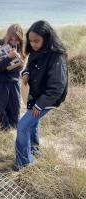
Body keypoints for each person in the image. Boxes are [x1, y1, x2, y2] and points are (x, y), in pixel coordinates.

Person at [14, 20, 68, 170]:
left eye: (36, 41)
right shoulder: (35, 51)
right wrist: (26, 73)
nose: (33, 44)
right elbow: (30, 67)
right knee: (32, 124)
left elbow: (58, 86)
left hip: (46, 99)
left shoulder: (57, 55)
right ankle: (35, 149)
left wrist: (40, 104)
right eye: (30, 41)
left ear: (47, 38)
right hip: (35, 95)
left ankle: (25, 162)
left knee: (22, 126)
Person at [0, 24, 26, 131]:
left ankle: (14, 124)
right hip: (1, 80)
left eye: (17, 39)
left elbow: (20, 68)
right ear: (7, 36)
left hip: (14, 80)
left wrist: (19, 60)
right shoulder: (0, 44)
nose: (13, 42)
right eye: (11, 39)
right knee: (1, 105)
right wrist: (9, 58)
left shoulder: (21, 47)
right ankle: (5, 126)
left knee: (15, 105)